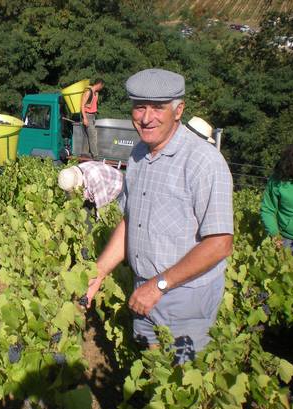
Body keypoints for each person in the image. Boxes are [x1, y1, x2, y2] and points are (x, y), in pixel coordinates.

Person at [85, 68, 234, 359]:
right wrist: (98, 273)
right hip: (145, 289)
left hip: (185, 297)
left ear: (179, 111)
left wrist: (158, 286)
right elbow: (130, 220)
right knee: (152, 371)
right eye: (139, 107)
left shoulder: (203, 162)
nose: (146, 117)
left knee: (179, 387)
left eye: (158, 108)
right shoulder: (139, 154)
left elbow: (220, 244)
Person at [57, 162, 123, 214]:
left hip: (119, 190)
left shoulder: (95, 179)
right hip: (99, 187)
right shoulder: (72, 175)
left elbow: (102, 210)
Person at [80, 78, 105, 159]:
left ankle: (84, 153)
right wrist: (85, 118)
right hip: (87, 115)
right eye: (102, 86)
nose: (102, 88)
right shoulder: (88, 92)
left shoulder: (96, 93)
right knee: (93, 135)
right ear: (99, 84)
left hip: (92, 116)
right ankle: (95, 155)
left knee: (87, 136)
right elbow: (82, 105)